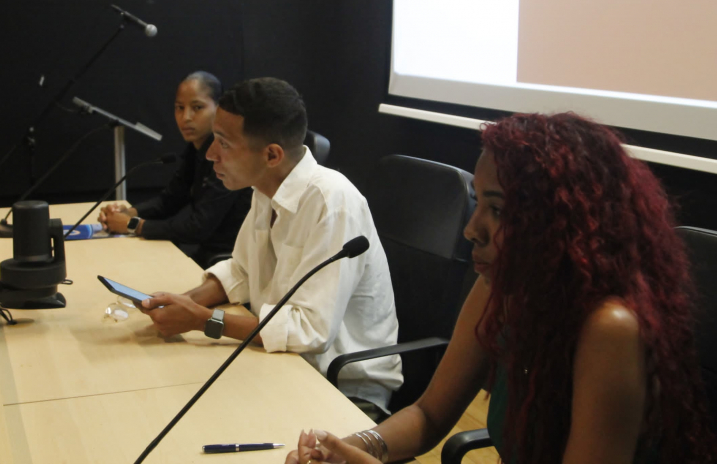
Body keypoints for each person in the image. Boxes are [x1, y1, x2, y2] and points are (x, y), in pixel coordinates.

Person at [287, 113, 716, 464]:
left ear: (559, 221)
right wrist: (353, 448)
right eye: (478, 203)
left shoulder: (610, 328)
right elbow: (428, 414)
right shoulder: (502, 289)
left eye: (498, 210)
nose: (472, 230)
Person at [139, 77, 403, 414]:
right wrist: (183, 303)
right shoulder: (264, 188)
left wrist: (202, 320)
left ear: (272, 155)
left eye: (223, 143)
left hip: (341, 389)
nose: (211, 154)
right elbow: (242, 271)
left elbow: (309, 331)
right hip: (284, 362)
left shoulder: (333, 203)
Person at [99, 71, 251, 269]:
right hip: (202, 253)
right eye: (179, 108)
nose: (186, 117)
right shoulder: (195, 149)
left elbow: (198, 227)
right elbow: (169, 200)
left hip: (227, 262)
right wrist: (127, 212)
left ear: (218, 108)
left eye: (197, 107)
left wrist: (132, 225)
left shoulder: (226, 155)